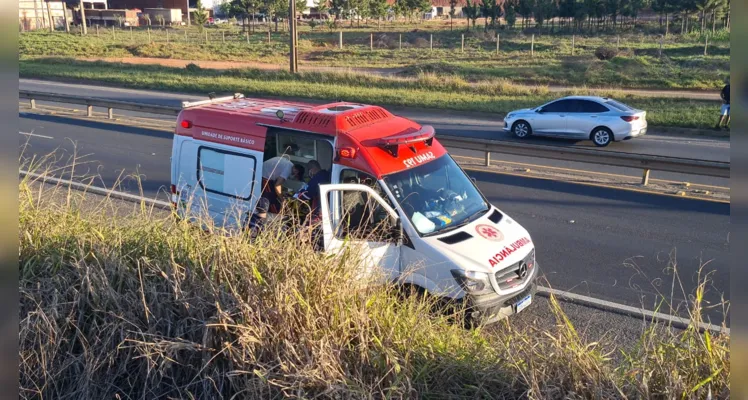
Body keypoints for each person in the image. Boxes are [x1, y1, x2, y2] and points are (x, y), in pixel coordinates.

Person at [261, 143, 299, 213]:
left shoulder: (289, 164)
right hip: (264, 177)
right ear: (296, 170)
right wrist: (282, 198)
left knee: (274, 194)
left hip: (266, 175)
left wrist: (281, 193)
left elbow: (278, 183)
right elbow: (277, 185)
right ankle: (275, 215)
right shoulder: (288, 169)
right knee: (271, 197)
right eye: (296, 175)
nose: (293, 176)